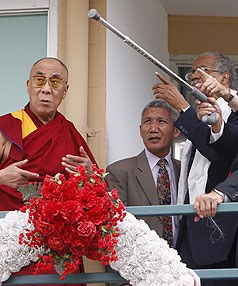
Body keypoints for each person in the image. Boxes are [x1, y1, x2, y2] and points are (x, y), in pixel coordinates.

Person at [0, 57, 97, 284]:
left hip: (59, 249)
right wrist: (1, 177)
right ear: (28, 85)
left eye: (55, 82)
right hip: (13, 244)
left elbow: (96, 194)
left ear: (65, 90)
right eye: (39, 80)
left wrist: (90, 176)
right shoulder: (6, 128)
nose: (46, 89)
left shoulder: (69, 132)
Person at [152, 52, 238, 286]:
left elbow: (223, 156)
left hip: (220, 231)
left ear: (224, 77)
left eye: (203, 72)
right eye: (192, 76)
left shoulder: (233, 112)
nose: (195, 81)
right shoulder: (200, 111)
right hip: (190, 226)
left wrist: (181, 105)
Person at [106, 99, 181, 245]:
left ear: (176, 131)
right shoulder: (119, 172)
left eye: (161, 121)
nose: (153, 128)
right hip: (140, 260)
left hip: (182, 260)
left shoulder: (185, 171)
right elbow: (117, 227)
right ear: (140, 130)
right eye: (147, 122)